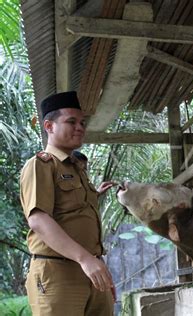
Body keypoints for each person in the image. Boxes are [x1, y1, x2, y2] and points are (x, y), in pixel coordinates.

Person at [20, 91, 117, 315]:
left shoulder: (77, 169)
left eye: (82, 122)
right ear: (49, 126)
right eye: (71, 121)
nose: (80, 127)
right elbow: (38, 219)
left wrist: (99, 267)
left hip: (92, 270)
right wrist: (85, 259)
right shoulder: (41, 165)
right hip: (57, 272)